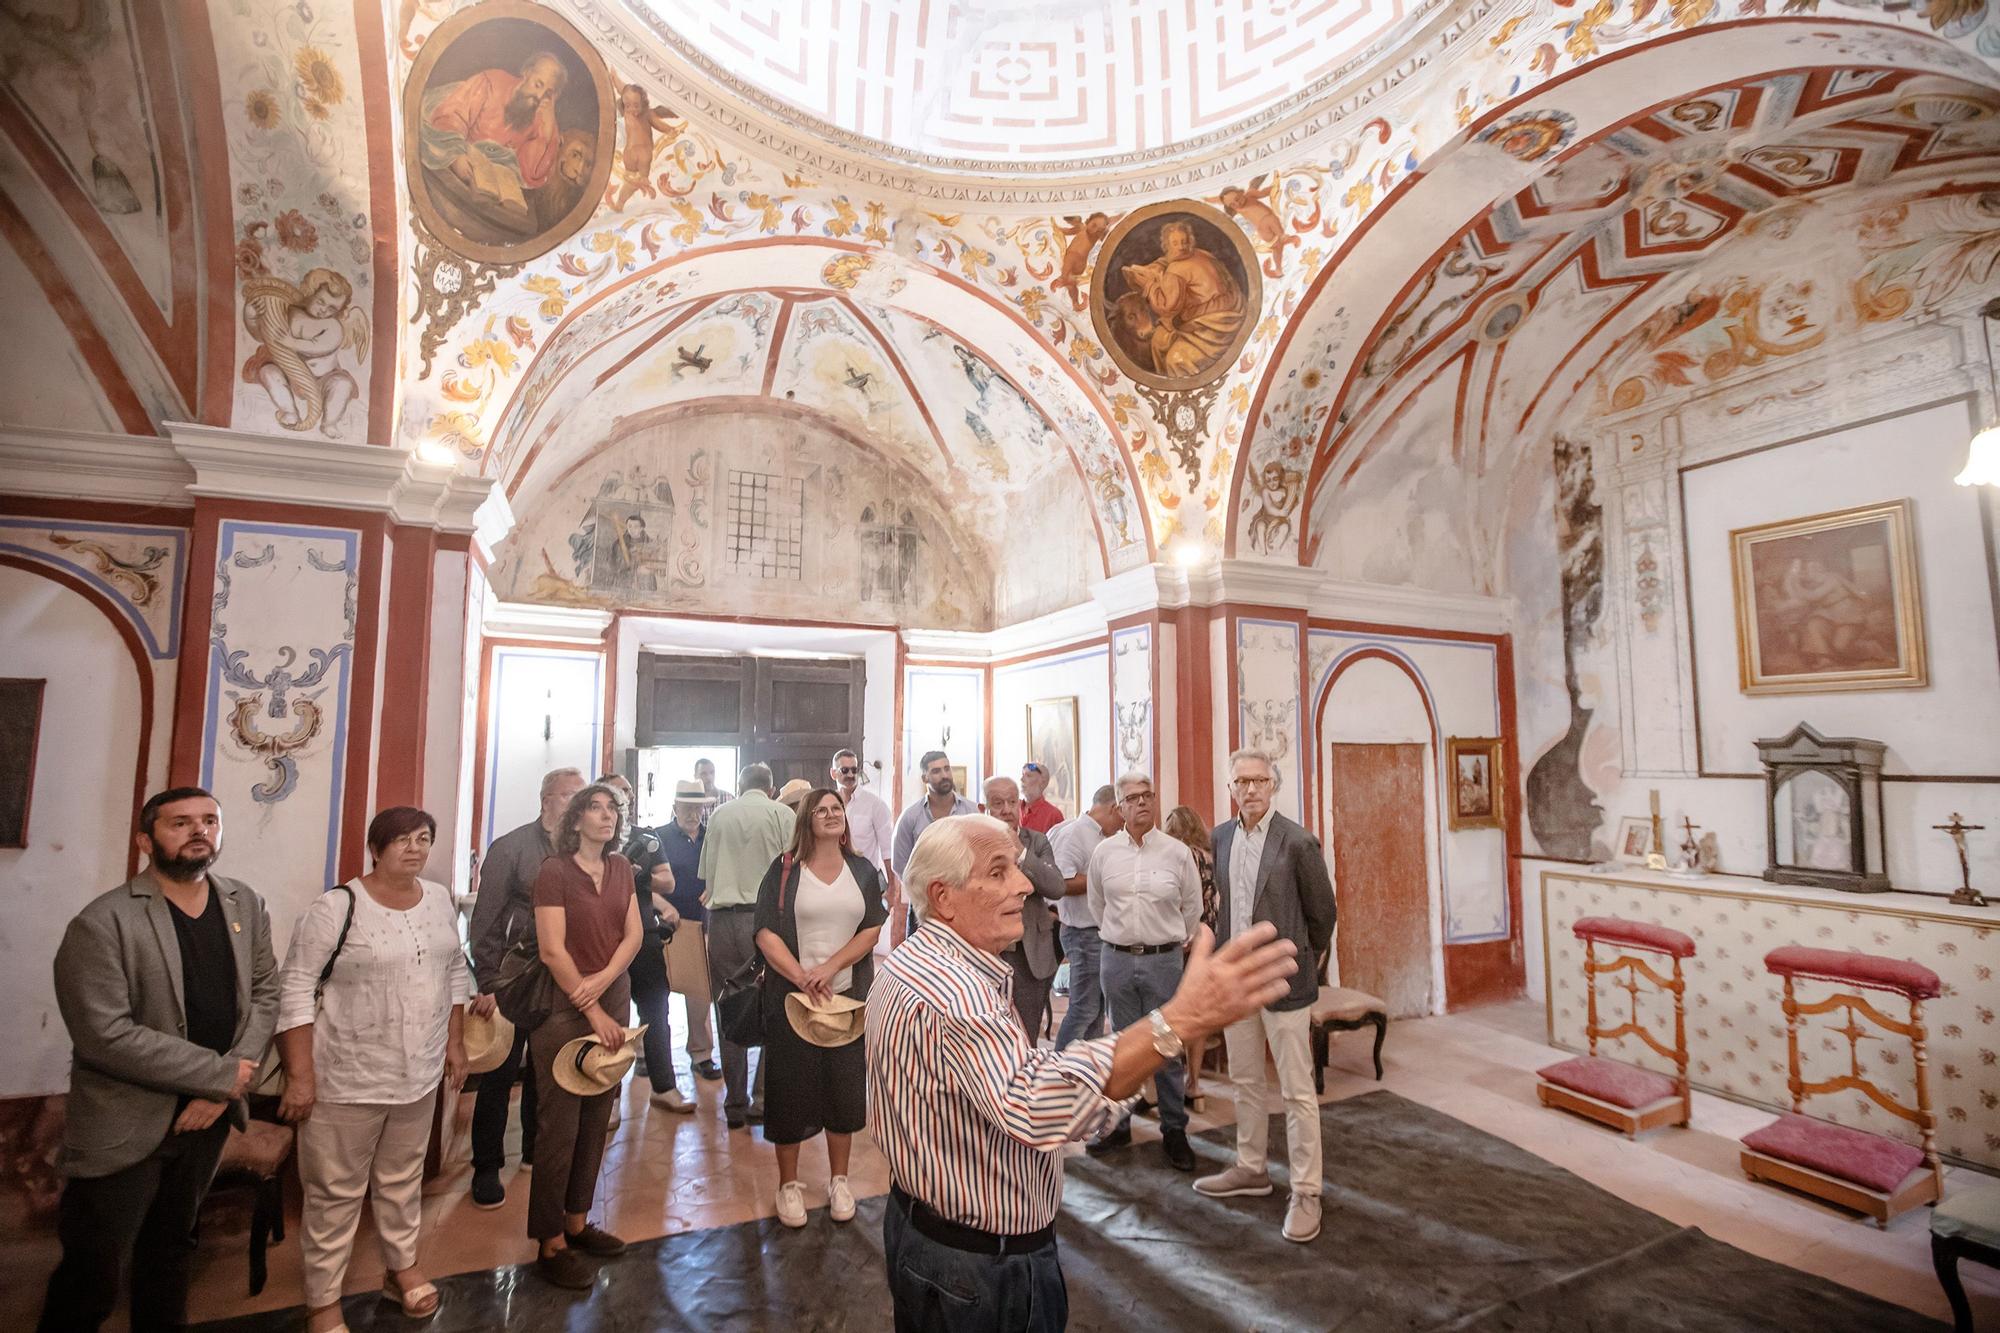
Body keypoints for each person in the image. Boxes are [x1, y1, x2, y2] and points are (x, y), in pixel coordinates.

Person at [868, 815, 1298, 1333]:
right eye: (999, 872)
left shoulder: (909, 960)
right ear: (944, 896)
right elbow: (1035, 1103)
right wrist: (1179, 1021)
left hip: (921, 1228)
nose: (1025, 885)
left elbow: (997, 1081)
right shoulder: (959, 993)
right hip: (981, 1268)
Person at [40, 787, 278, 1333]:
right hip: (127, 1120)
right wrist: (220, 1075)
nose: (199, 831)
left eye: (210, 821)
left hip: (208, 1119)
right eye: (180, 823)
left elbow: (266, 991)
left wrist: (224, 1089)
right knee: (94, 1270)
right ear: (146, 840)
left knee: (172, 1249)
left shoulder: (245, 902)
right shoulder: (103, 922)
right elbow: (105, 1034)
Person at [274, 807, 471, 1330]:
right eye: (402, 839)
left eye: (423, 839)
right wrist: (300, 1075)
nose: (414, 848)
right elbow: (293, 990)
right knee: (334, 1193)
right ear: (376, 847)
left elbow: (453, 971)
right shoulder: (336, 908)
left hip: (418, 1073)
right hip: (346, 1076)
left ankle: (400, 1269)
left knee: (403, 1180)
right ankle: (323, 1302)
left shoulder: (438, 900)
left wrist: (454, 1043)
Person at [1195, 748, 1338, 1243]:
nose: (1250, 789)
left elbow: (1323, 915)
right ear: (1230, 787)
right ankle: (1251, 1167)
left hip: (1284, 980)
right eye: (1241, 782)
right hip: (1238, 980)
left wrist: (1300, 959)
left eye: (1258, 781)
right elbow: (1225, 907)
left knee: (1298, 1092)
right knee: (1246, 1081)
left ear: (1272, 785)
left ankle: (1306, 1190)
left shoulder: (1298, 842)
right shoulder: (1221, 836)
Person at [527, 783, 645, 1289]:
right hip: (565, 1010)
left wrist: (606, 980)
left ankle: (577, 1221)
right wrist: (590, 1003)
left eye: (612, 809)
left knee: (598, 1117)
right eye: (594, 808)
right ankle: (549, 1241)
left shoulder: (620, 869)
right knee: (561, 1127)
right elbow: (553, 951)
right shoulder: (554, 872)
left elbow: (634, 934)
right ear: (574, 820)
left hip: (611, 1000)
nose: (606, 816)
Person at [754, 789, 887, 1227]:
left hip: (845, 997)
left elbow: (871, 927)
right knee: (789, 1089)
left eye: (837, 810)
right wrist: (801, 976)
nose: (831, 815)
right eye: (822, 810)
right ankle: (788, 1184)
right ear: (807, 820)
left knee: (844, 1091)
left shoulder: (863, 870)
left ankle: (839, 1180)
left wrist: (829, 968)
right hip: (792, 999)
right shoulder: (786, 868)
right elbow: (765, 932)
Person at [466, 766, 584, 1208]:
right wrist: (489, 981)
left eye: (582, 797)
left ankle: (535, 1148)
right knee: (499, 1072)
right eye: (568, 796)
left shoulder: (581, 852)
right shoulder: (511, 848)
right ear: (546, 801)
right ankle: (486, 1165)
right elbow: (488, 920)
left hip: (561, 977)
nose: (576, 805)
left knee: (547, 1068)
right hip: (513, 978)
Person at [1084, 770, 1203, 1171]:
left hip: (1163, 960)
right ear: (1119, 808)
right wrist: (1121, 939)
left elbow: (1193, 908)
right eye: (1133, 798)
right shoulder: (1104, 854)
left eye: (1148, 795)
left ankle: (1174, 1130)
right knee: (1121, 1048)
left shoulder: (1176, 852)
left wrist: (1169, 942)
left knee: (1168, 1047)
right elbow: (1097, 905)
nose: (1142, 803)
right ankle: (1118, 1125)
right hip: (1116, 960)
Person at [699, 762, 795, 1129]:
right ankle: (763, 1098)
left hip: (723, 921)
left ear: (740, 786)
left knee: (728, 1004)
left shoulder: (720, 815)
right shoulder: (781, 813)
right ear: (770, 788)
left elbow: (707, 875)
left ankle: (734, 1101)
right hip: (767, 921)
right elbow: (793, 868)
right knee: (775, 1002)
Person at [601, 775, 693, 1115]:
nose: (625, 796)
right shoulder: (592, 839)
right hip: (602, 942)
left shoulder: (646, 838)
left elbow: (667, 881)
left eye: (627, 791)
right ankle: (608, 1098)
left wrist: (636, 876)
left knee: (657, 1012)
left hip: (643, 937)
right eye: (616, 791)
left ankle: (664, 1087)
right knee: (612, 1017)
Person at [982, 775, 1066, 1042]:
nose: (1006, 809)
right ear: (984, 809)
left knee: (1026, 1033)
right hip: (987, 950)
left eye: (1011, 802)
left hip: (1030, 953)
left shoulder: (1037, 842)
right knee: (987, 1031)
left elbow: (1055, 886)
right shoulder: (973, 843)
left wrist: (1021, 854)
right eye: (998, 803)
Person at [1049, 785, 1122, 1050]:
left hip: (1101, 932)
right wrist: (1108, 879)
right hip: (1083, 933)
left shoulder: (1102, 836)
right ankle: (1059, 1073)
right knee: (1083, 1009)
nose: (1123, 824)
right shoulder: (1074, 834)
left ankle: (1084, 1074)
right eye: (1122, 815)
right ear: (1114, 808)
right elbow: (1061, 882)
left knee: (1095, 1013)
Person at [659, 779, 721, 1082]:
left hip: (701, 923)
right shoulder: (658, 838)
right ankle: (650, 1055)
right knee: (657, 994)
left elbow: (722, 873)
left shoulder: (712, 838)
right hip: (665, 925)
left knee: (699, 993)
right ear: (675, 807)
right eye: (687, 807)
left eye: (697, 807)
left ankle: (701, 1054)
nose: (692, 813)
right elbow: (642, 884)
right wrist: (662, 907)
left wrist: (714, 887)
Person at [1162, 805, 1219, 1102]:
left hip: (1179, 937)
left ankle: (1161, 1086)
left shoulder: (1175, 857)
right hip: (1207, 938)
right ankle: (1194, 1083)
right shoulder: (1210, 856)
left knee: (1170, 1012)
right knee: (1197, 1014)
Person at [892, 750, 977, 938]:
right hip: (925, 905)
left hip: (964, 898)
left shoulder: (971, 810)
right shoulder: (911, 817)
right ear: (925, 778)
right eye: (937, 771)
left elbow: (979, 852)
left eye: (947, 769)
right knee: (923, 961)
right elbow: (900, 865)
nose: (945, 775)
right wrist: (922, 893)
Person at [831, 748, 896, 923]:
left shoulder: (875, 805)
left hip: (866, 882)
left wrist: (892, 887)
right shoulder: (828, 804)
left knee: (865, 934)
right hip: (833, 881)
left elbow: (888, 849)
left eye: (855, 769)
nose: (851, 774)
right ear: (833, 773)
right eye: (845, 770)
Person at [1019, 762, 1065, 835]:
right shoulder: (1012, 808)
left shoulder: (1053, 815)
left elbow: (1059, 844)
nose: (1021, 779)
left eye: (1028, 775)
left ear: (1042, 782)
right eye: (1022, 775)